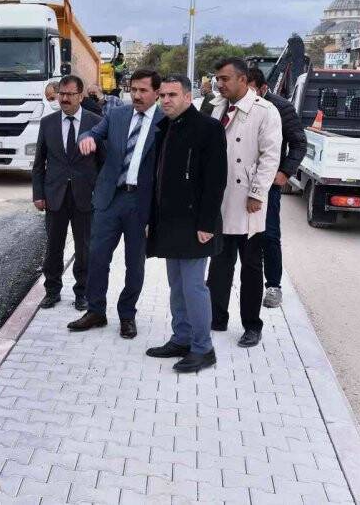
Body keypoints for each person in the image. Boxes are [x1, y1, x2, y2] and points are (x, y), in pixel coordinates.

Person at [68, 69, 164, 339]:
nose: (136, 95)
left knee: (135, 264)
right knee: (97, 256)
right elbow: (92, 134)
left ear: (156, 93)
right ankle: (96, 310)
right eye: (133, 89)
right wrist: (86, 139)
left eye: (143, 90)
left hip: (141, 203)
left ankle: (127, 315)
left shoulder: (164, 121)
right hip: (110, 198)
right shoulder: (117, 114)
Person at [146, 75, 227, 373]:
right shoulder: (164, 127)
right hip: (170, 222)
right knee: (176, 286)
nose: (166, 100)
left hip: (196, 224)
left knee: (194, 288)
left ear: (188, 96)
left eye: (172, 95)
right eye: (163, 95)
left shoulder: (208, 128)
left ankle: (203, 348)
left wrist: (206, 223)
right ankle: (181, 338)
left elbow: (216, 180)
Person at [205, 58, 282, 348]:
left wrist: (257, 193)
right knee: (219, 262)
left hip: (247, 199)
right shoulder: (216, 107)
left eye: (225, 79)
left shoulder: (265, 111)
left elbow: (270, 156)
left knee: (251, 266)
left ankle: (252, 325)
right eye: (218, 79)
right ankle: (216, 316)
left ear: (241, 79)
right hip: (219, 199)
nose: (220, 84)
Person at [32, 74, 103, 311]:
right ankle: (52, 291)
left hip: (85, 197)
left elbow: (103, 163)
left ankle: (82, 293)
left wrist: (101, 195)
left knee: (84, 249)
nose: (64, 98)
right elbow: (39, 163)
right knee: (53, 247)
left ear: (80, 96)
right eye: (61, 94)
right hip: (55, 196)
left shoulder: (95, 122)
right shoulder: (48, 123)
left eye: (69, 94)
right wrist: (38, 194)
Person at [246, 68, 307, 309]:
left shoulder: (281, 108)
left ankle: (273, 285)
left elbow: (299, 143)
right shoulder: (232, 105)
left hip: (268, 183)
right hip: (237, 182)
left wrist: (284, 172)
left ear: (262, 89)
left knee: (269, 234)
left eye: (250, 89)